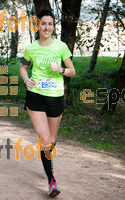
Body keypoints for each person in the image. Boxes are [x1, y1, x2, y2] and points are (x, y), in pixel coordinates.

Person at [19, 9, 75, 197]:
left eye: (50, 24)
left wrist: (60, 69)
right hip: (35, 97)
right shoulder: (31, 48)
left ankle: (47, 161)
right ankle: (52, 181)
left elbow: (72, 71)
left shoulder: (61, 47)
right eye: (43, 23)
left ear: (53, 26)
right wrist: (27, 80)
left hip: (55, 97)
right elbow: (23, 68)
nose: (47, 27)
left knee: (51, 140)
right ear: (38, 25)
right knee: (44, 139)